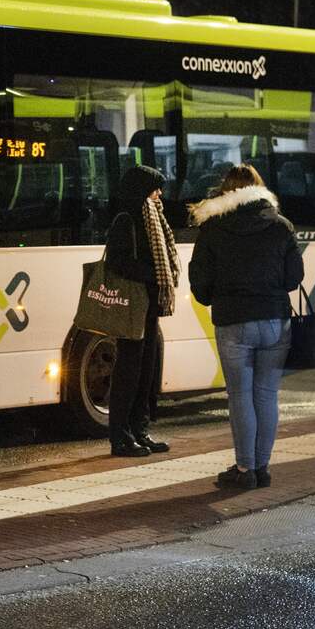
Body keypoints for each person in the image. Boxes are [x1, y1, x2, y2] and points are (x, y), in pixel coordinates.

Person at [188, 164, 304, 489]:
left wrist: (217, 295)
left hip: (234, 320)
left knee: (240, 396)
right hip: (275, 321)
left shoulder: (212, 228)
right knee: (266, 395)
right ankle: (262, 467)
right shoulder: (281, 226)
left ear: (226, 191)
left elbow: (200, 283)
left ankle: (244, 470)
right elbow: (294, 278)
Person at [104, 166, 180, 457]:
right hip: (133, 304)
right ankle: (121, 437)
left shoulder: (153, 219)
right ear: (141, 189)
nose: (159, 194)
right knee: (129, 371)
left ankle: (140, 431)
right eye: (155, 188)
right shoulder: (127, 219)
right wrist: (152, 275)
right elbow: (117, 262)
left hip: (150, 305)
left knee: (146, 371)